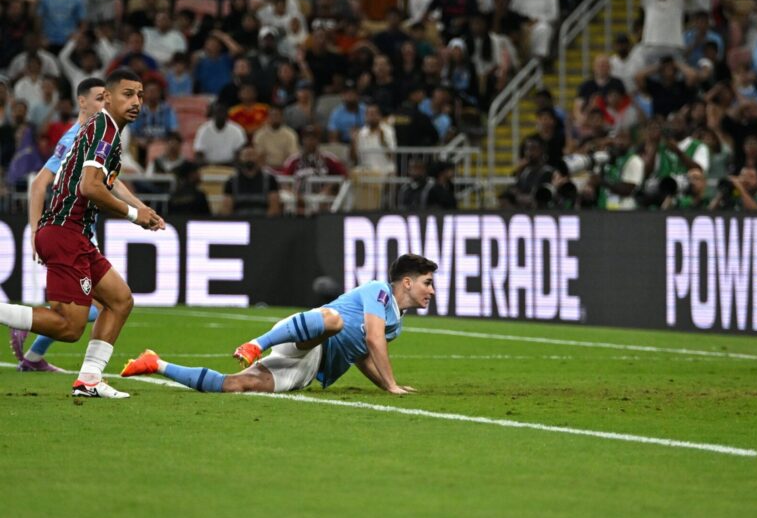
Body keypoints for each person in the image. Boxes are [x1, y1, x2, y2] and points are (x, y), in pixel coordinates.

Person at [0, 70, 165, 397]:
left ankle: (89, 379)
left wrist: (140, 208)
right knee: (69, 326)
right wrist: (134, 215)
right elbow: (88, 187)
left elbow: (99, 181)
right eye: (127, 94)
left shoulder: (101, 129)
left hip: (73, 234)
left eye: (140, 95)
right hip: (66, 232)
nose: (136, 102)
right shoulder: (104, 128)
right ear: (108, 98)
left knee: (119, 300)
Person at [121, 254, 436, 395]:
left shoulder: (397, 322)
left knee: (236, 385)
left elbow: (361, 354)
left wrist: (384, 386)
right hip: (307, 332)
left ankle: (155, 363)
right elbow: (373, 341)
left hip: (310, 366)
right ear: (406, 282)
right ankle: (257, 343)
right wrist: (392, 384)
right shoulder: (380, 292)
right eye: (427, 282)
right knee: (334, 320)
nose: (431, 291)